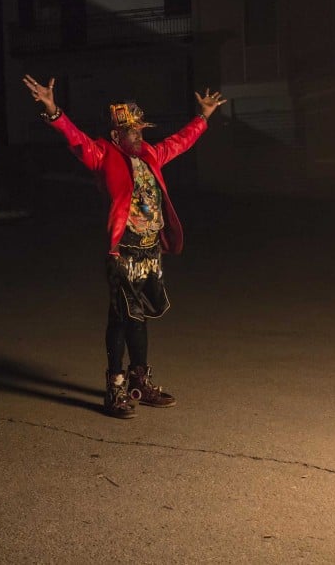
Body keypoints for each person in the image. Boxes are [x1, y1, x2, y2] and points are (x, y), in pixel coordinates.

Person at [23, 74, 226, 419]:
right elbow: (75, 140)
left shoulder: (150, 153)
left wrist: (203, 117)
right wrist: (54, 109)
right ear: (117, 135)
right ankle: (115, 388)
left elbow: (179, 142)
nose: (139, 135)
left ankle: (139, 382)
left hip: (150, 252)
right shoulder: (102, 155)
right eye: (133, 131)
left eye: (141, 130)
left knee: (136, 315)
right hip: (124, 253)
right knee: (122, 316)